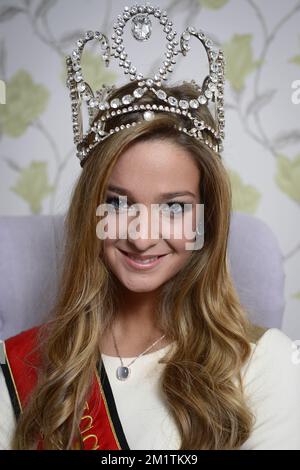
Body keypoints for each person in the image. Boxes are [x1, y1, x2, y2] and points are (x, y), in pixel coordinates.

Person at [1, 4, 300, 451]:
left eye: (175, 208)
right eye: (117, 203)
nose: (141, 237)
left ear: (207, 220)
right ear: (90, 215)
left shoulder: (263, 364)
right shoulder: (17, 370)